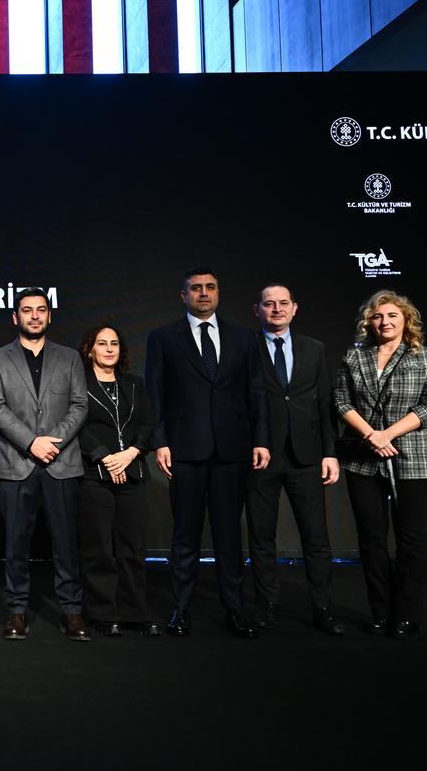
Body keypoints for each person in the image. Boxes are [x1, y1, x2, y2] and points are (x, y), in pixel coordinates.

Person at [145, 267, 270, 639]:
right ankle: (180, 609)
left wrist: (261, 440)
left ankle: (234, 608)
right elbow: (155, 394)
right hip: (184, 449)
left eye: (210, 288)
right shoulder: (163, 337)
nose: (203, 293)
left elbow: (257, 391)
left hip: (232, 450)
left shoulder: (244, 338)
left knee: (230, 534)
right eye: (196, 288)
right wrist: (160, 441)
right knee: (184, 535)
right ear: (183, 295)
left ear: (218, 294)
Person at [333, 290, 427, 639]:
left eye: (392, 316)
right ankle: (380, 611)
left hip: (413, 456)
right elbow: (340, 399)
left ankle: (406, 614)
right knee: (371, 539)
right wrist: (371, 435)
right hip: (362, 459)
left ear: (406, 320)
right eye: (379, 316)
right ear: (370, 322)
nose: (385, 322)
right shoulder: (355, 357)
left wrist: (388, 435)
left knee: (410, 538)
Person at [0, 288, 90, 641]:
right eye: (26, 310)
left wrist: (51, 443)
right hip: (18, 462)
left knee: (66, 544)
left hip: (62, 462)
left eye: (40, 310)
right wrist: (32, 442)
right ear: (15, 317)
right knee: (16, 544)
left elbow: (79, 405)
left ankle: (72, 612)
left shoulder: (71, 357)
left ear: (49, 315)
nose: (34, 316)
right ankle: (16, 612)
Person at [247, 284, 344, 635]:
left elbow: (324, 404)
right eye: (268, 304)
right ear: (256, 309)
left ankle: (322, 608)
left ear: (295, 308)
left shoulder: (314, 349)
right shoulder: (245, 348)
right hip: (261, 456)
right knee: (261, 537)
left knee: (316, 538)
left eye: (283, 304)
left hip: (307, 457)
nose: (276, 309)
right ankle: (267, 605)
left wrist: (330, 453)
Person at [76, 324, 157, 637]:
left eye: (114, 344)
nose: (109, 348)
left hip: (133, 472)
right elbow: (77, 425)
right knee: (98, 548)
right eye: (102, 343)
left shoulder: (135, 385)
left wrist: (132, 453)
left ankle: (135, 612)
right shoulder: (79, 384)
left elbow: (148, 424)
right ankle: (101, 612)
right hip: (94, 474)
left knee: (132, 548)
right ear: (90, 349)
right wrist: (106, 457)